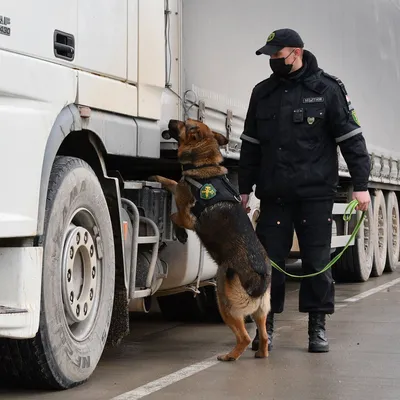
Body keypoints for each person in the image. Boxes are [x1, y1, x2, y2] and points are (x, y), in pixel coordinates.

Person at [238, 28, 371, 353]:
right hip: (275, 196)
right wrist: (244, 189)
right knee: (268, 265)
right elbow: (251, 146)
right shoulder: (263, 93)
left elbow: (351, 140)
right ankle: (265, 328)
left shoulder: (327, 89)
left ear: (296, 52)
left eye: (277, 55)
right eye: (269, 56)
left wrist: (362, 186)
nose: (272, 61)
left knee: (316, 263)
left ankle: (317, 327)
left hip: (315, 195)